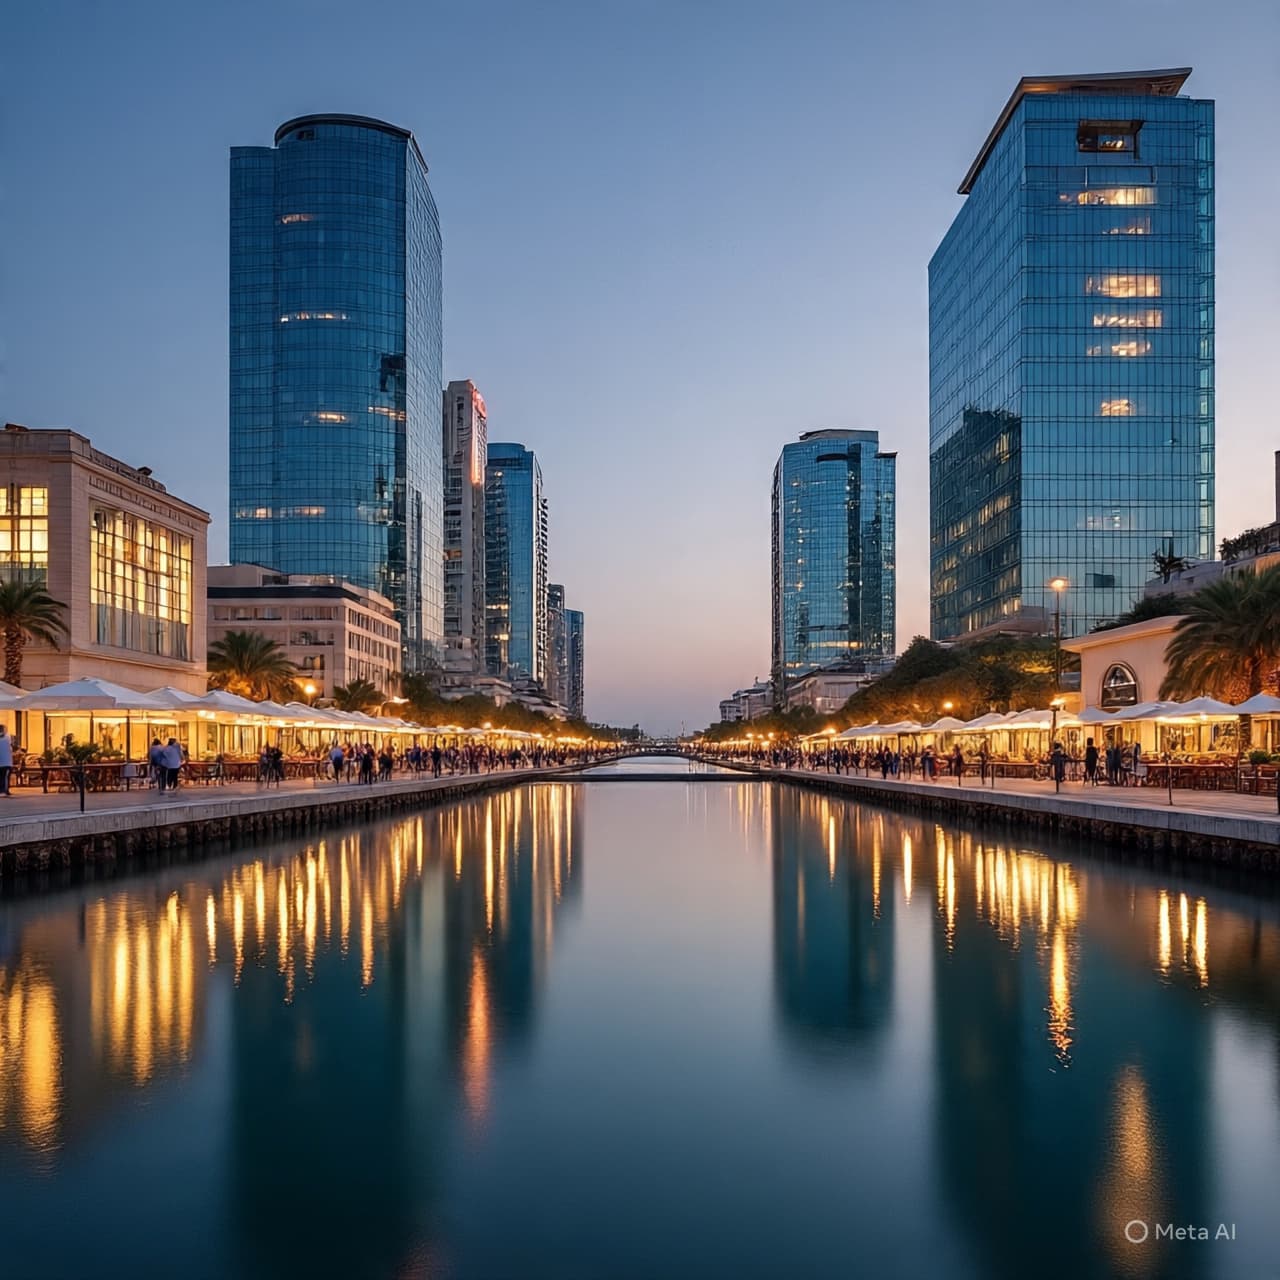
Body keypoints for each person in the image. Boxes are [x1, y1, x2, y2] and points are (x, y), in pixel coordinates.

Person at [0, 725, 13, 796]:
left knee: (2, 776)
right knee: (5, 776)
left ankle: (3, 790)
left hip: (2, 761)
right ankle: (4, 790)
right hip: (6, 762)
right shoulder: (7, 737)